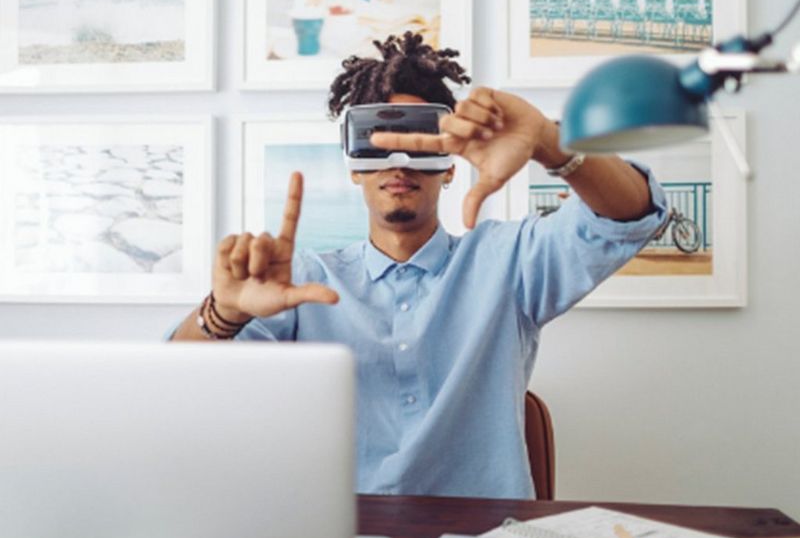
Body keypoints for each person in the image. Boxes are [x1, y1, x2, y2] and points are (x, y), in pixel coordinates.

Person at [171, 32, 667, 499]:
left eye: (420, 139)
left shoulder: (508, 263)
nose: (400, 159)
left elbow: (630, 216)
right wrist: (225, 313)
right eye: (378, 141)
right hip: (341, 537)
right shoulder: (300, 284)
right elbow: (174, 383)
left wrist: (546, 140)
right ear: (354, 165)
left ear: (451, 164)